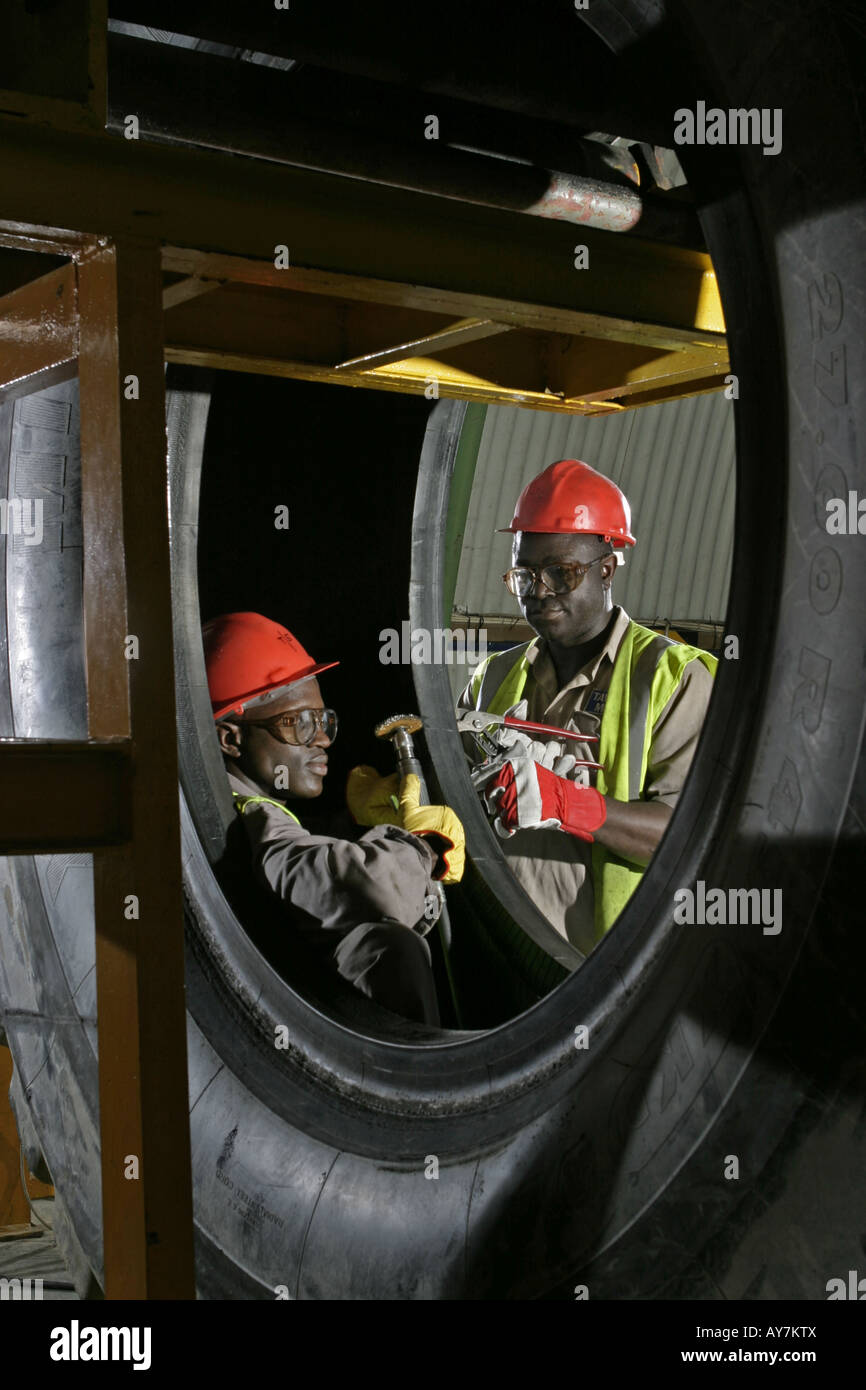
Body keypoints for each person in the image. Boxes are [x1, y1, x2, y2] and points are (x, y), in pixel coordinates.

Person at [460, 458, 717, 956]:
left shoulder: (672, 678)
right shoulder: (490, 678)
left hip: (605, 971)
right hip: (496, 947)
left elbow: (695, 838)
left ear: (606, 568)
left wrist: (568, 803)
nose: (541, 592)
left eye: (562, 572)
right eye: (525, 575)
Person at [203, 611, 465, 1025]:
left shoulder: (230, 803)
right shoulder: (251, 819)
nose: (322, 739)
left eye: (323, 721)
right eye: (298, 724)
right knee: (389, 948)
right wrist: (425, 848)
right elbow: (368, 890)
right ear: (231, 738)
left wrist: (352, 821)